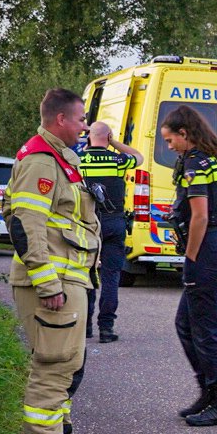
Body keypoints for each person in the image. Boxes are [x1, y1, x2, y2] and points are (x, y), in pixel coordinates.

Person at [4, 88, 99, 434]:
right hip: (53, 282)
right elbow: (27, 226)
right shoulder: (42, 162)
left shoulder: (62, 158)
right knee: (53, 365)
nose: (85, 126)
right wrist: (47, 285)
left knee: (68, 365)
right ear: (61, 119)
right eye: (80, 120)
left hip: (69, 278)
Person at [162, 105, 217, 427]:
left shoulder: (195, 163)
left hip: (207, 250)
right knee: (186, 324)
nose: (169, 147)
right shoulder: (215, 159)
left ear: (185, 134)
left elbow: (201, 216)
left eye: (170, 140)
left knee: (205, 330)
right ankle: (208, 392)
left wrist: (190, 258)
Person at [77, 121, 143, 344]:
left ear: (89, 137)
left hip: (87, 224)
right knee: (111, 276)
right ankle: (106, 328)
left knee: (86, 275)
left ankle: (85, 326)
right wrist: (113, 142)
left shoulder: (80, 160)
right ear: (108, 137)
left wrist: (88, 145)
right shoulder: (118, 160)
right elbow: (139, 156)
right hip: (114, 223)